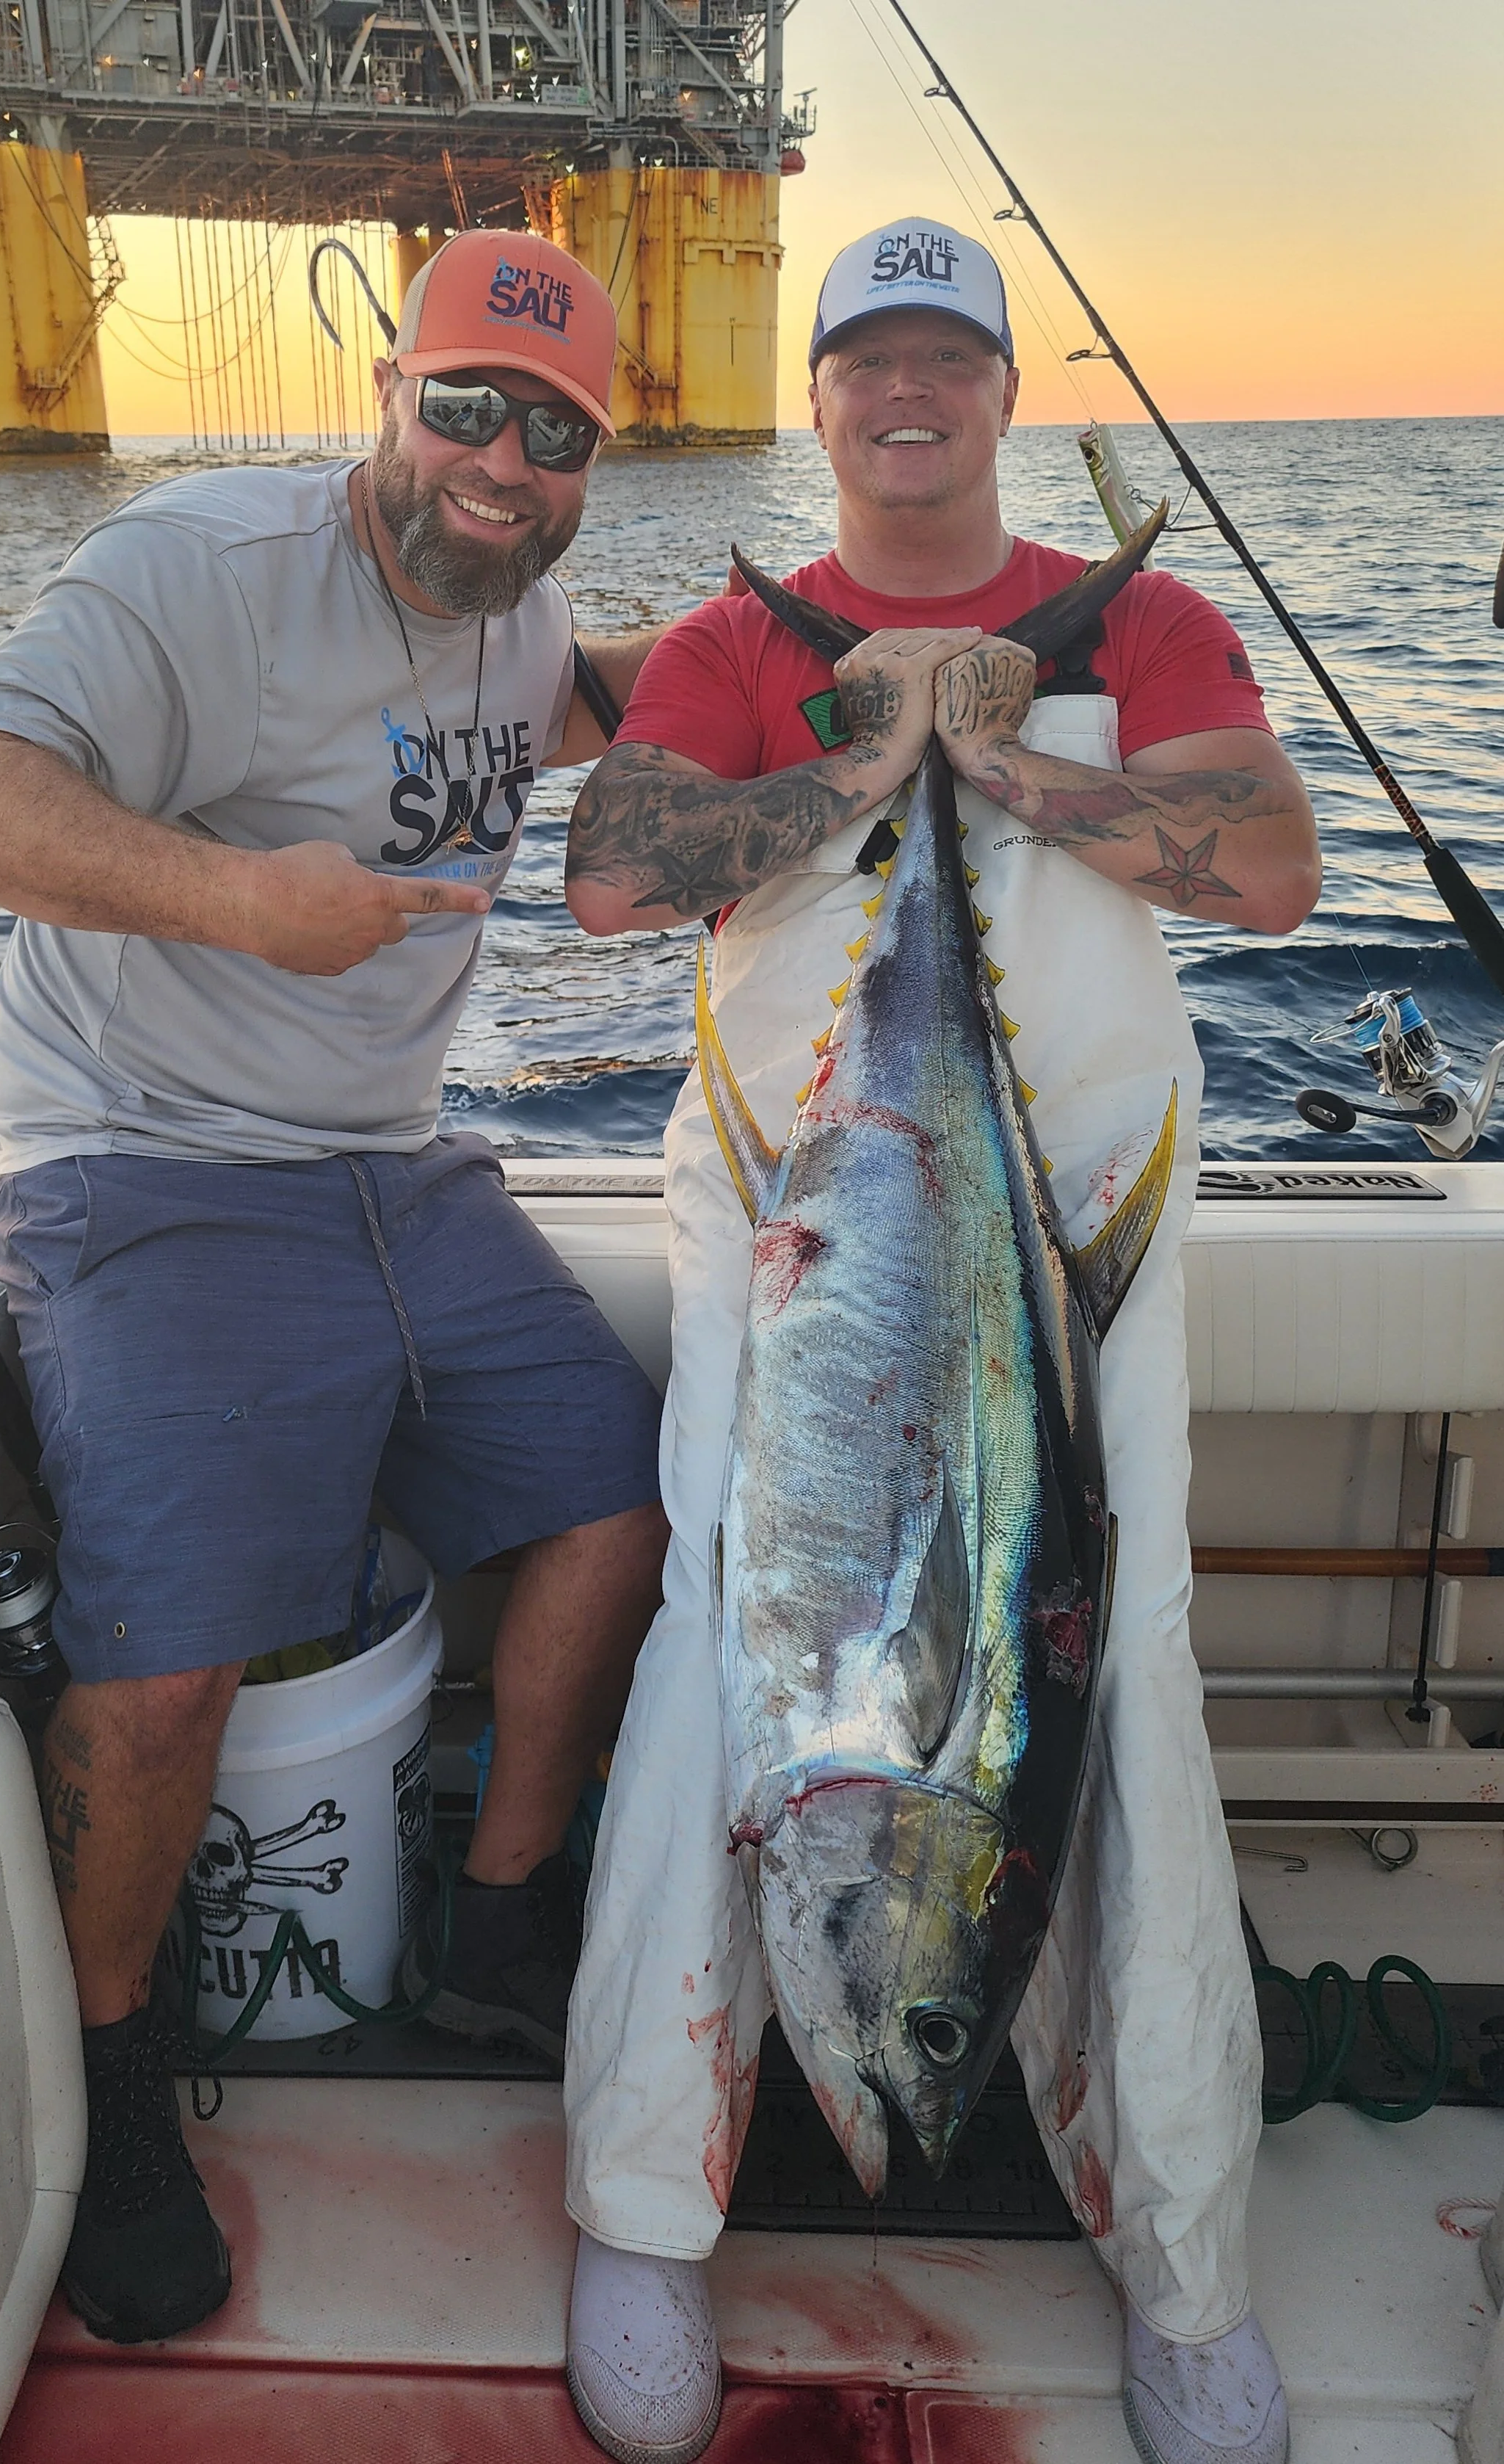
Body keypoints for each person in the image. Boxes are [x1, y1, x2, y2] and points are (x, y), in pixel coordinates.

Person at [558, 219, 1321, 2464]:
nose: (910, 397)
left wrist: (1023, 777)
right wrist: (864, 762)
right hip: (801, 1240)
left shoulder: (1137, 617)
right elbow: (618, 872)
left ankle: (1184, 2263)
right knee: (714, 1664)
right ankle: (637, 2203)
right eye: (869, 362)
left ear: (1001, 390)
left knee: (1135, 1676)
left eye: (949, 363)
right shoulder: (742, 636)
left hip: (1080, 1243)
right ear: (819, 396)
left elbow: (1269, 865)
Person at [0, 227, 671, 2349]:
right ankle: (119, 2073)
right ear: (389, 396)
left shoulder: (522, 624)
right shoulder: (205, 572)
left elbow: (619, 704)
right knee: (164, 1674)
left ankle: (500, 1915)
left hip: (398, 1177)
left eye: (559, 432)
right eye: (467, 405)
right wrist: (252, 904)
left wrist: (851, 679)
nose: (504, 460)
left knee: (619, 1498)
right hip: (145, 1170)